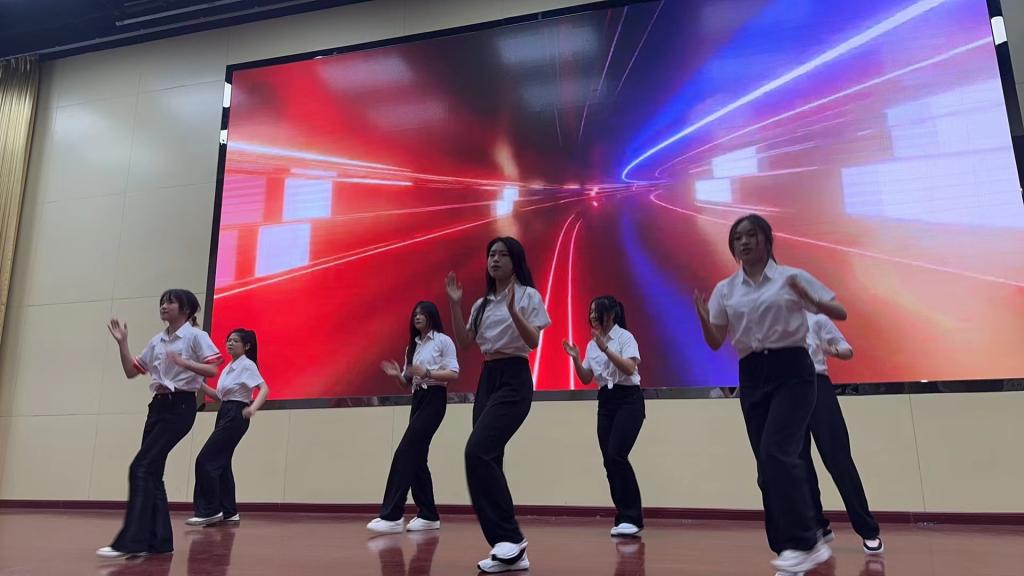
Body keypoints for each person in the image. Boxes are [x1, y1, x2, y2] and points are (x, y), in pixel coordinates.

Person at [694, 214, 846, 575]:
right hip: (752, 374)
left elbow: (839, 311)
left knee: (778, 452)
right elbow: (716, 341)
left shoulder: (790, 277)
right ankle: (791, 547)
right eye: (738, 238)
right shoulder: (726, 290)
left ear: (766, 240)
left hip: (792, 369)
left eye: (751, 235)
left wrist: (813, 300)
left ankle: (804, 542)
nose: (744, 242)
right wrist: (703, 318)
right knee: (766, 467)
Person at [446, 236, 551, 573]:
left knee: (476, 451)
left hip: (514, 377)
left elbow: (533, 341)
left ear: (515, 261)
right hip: (488, 378)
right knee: (490, 457)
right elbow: (465, 342)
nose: (495, 259)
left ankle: (510, 538)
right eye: (491, 254)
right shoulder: (481, 304)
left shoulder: (528, 295)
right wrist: (455, 304)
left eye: (503, 255)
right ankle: (511, 553)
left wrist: (514, 311)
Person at [98, 289, 222, 559]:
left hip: (181, 406)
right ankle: (160, 541)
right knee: (152, 472)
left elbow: (213, 368)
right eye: (162, 302)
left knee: (140, 468)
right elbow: (132, 371)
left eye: (170, 302)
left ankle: (131, 542)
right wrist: (123, 343)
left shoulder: (195, 336)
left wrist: (184, 362)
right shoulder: (157, 340)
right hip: (158, 407)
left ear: (186, 309)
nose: (164, 306)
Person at [368, 301, 459, 534]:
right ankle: (428, 515)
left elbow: (453, 373)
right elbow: (406, 382)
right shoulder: (413, 346)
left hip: (435, 398)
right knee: (417, 457)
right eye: (415, 314)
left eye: (422, 314)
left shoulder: (443, 341)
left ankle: (392, 515)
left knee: (405, 451)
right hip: (417, 399)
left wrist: (427, 372)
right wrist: (397, 375)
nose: (417, 317)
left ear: (431, 316)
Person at [563, 295, 645, 537]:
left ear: (610, 314)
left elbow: (629, 368)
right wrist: (576, 359)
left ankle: (632, 517)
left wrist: (606, 349)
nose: (591, 316)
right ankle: (623, 516)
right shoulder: (592, 345)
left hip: (629, 400)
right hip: (606, 401)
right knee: (609, 460)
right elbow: (586, 378)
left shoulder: (625, 337)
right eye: (590, 312)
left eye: (596, 311)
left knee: (617, 454)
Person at [802, 312, 883, 554]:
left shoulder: (816, 319)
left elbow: (846, 349)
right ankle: (817, 526)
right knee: (797, 463)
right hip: (785, 391)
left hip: (817, 385)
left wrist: (832, 349)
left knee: (838, 458)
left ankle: (868, 530)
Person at [186, 328, 269, 526]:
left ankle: (209, 511)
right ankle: (229, 512)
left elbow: (264, 388)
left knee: (205, 460)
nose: (230, 343)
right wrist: (199, 383)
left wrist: (252, 408)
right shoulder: (229, 367)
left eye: (235, 341)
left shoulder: (247, 365)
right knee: (222, 464)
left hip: (236, 414)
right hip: (225, 411)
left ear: (246, 346)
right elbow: (220, 396)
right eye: (228, 340)